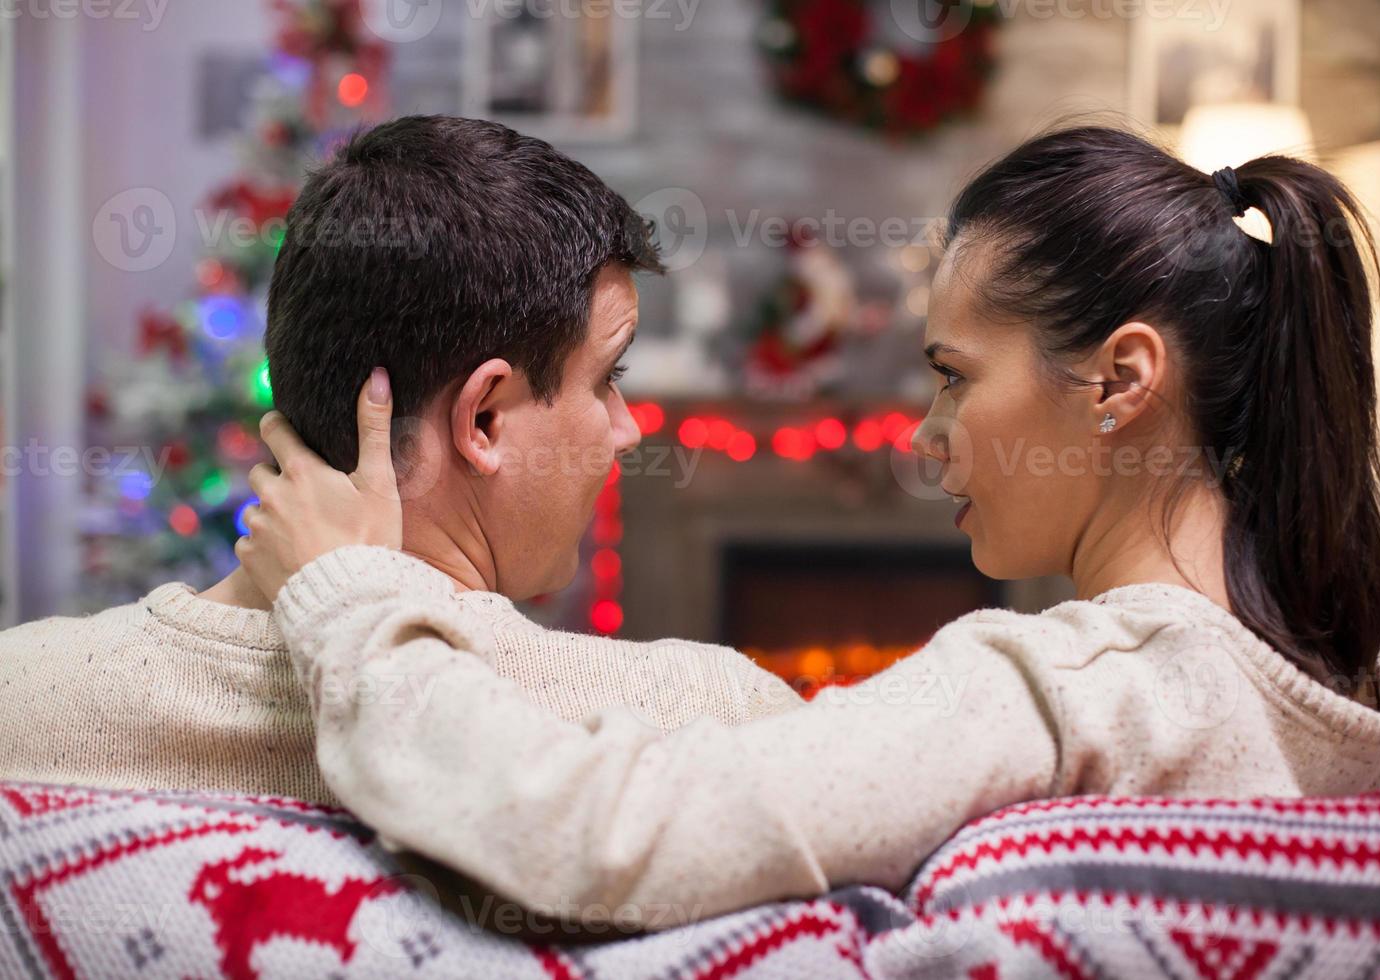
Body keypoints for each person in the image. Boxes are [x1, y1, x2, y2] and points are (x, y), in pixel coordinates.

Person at [237, 126, 1380, 927]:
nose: (925, 435)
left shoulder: (1064, 689)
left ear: (1122, 378)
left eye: (955, 376)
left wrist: (347, 595)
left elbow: (604, 829)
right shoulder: (1348, 676)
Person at [0, 116, 798, 804]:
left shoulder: (26, 703)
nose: (626, 431)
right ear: (482, 418)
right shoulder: (700, 725)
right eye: (608, 379)